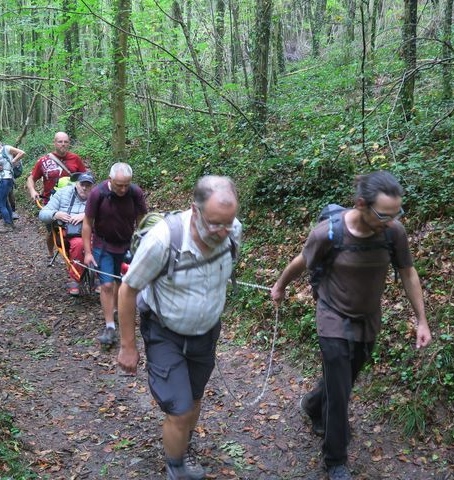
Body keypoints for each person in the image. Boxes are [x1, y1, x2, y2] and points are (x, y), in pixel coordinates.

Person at [270, 170, 432, 480]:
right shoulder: (328, 233)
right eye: (385, 213)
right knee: (341, 391)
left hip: (368, 319)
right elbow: (301, 261)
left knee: (342, 380)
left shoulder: (393, 233)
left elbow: (409, 273)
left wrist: (421, 320)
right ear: (360, 204)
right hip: (332, 317)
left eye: (397, 212)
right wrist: (280, 286)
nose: (392, 219)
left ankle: (312, 404)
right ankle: (335, 460)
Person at [117, 176, 241, 480]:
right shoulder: (162, 240)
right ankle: (176, 469)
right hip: (165, 332)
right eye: (214, 224)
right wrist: (128, 345)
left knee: (195, 399)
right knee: (180, 408)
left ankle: (182, 445)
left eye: (228, 223)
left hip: (207, 333)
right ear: (195, 211)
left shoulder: (233, 231)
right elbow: (128, 289)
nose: (222, 232)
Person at [82, 162, 147, 346]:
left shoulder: (135, 193)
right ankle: (110, 326)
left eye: (127, 184)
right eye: (119, 185)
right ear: (110, 180)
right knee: (107, 284)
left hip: (127, 244)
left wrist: (143, 241)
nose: (123, 189)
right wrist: (87, 252)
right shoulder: (98, 194)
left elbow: (143, 219)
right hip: (103, 245)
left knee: (123, 281)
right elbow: (87, 223)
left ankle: (118, 311)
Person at [27, 132, 86, 259]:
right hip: (51, 202)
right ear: (54, 143)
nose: (63, 144)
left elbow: (84, 178)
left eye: (66, 142)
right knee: (52, 231)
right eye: (60, 141)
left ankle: (73, 254)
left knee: (73, 229)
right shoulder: (44, 161)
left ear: (69, 143)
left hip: (73, 201)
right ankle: (50, 251)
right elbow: (31, 178)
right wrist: (33, 191)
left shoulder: (75, 159)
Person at [38, 173, 96, 295]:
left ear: (92, 186)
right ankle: (75, 278)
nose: (84, 188)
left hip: (92, 229)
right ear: (76, 184)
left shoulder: (97, 196)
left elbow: (106, 214)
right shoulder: (63, 193)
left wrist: (87, 216)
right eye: (82, 184)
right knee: (79, 244)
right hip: (68, 231)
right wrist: (55, 214)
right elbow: (43, 214)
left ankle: (98, 277)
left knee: (102, 243)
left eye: (88, 185)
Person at [0, 138, 25, 233]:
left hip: (6, 179)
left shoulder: (7, 148)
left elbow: (22, 153)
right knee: (5, 202)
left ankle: (8, 224)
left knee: (0, 204)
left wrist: (13, 161)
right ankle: (9, 222)